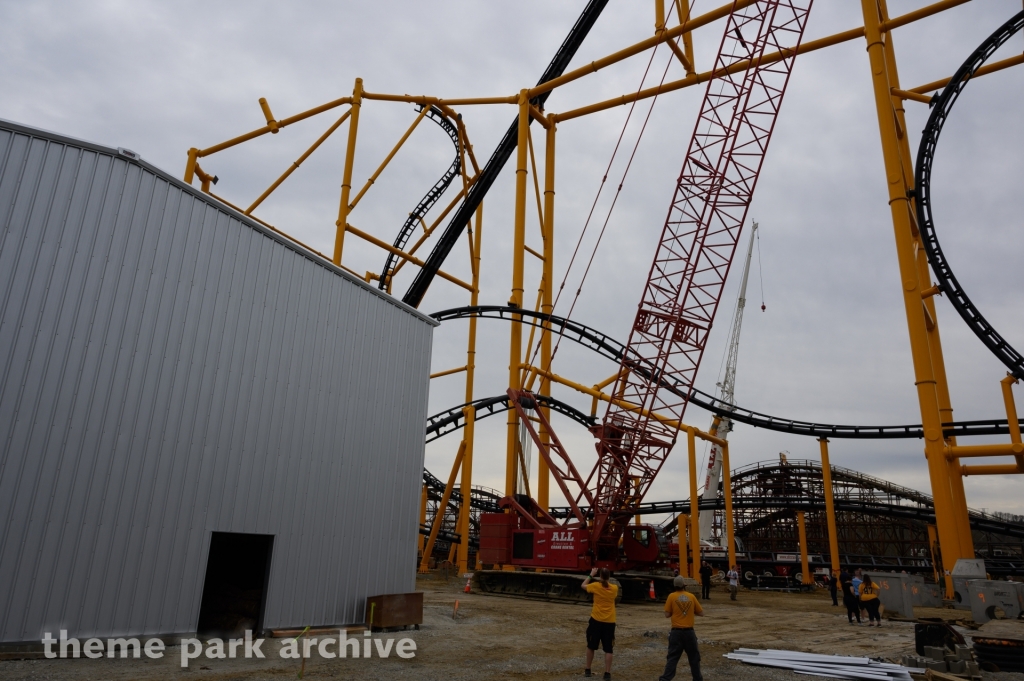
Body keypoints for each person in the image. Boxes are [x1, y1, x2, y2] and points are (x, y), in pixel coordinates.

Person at [659, 575, 704, 681]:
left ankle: (665, 679)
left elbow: (667, 614)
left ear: (674, 586)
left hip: (676, 632)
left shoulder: (671, 596)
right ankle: (697, 679)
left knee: (673, 658)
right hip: (689, 632)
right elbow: (701, 613)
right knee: (694, 658)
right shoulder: (691, 596)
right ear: (684, 585)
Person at [581, 567, 617, 679]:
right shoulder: (615, 588)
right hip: (609, 622)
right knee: (608, 649)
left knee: (591, 646)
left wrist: (591, 575)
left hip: (596, 620)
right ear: (609, 576)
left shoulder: (596, 586)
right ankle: (607, 673)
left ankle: (588, 669)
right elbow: (608, 585)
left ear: (600, 576)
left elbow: (583, 585)